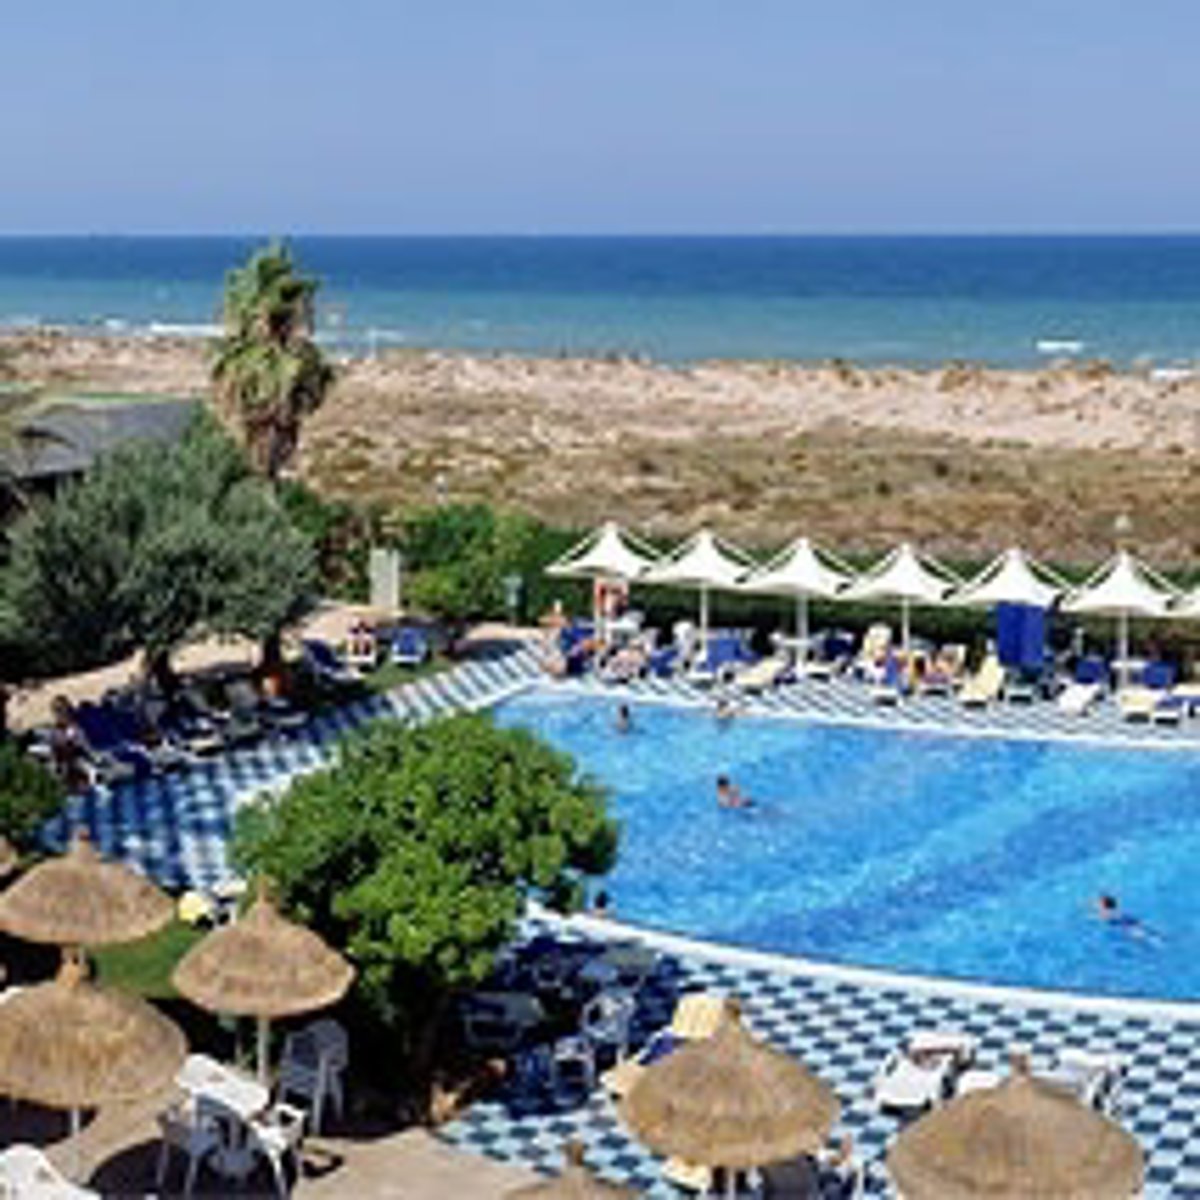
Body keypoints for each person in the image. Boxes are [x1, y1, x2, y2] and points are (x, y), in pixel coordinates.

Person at [1095, 894, 1161, 943]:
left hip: (1125, 925)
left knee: (1142, 937)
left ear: (1104, 905)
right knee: (1147, 932)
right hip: (1129, 920)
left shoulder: (1105, 914)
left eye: (1101, 903)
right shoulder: (1117, 910)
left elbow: (1106, 920)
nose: (1099, 904)